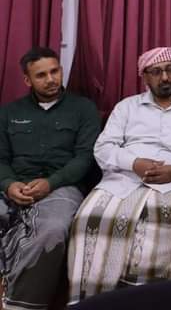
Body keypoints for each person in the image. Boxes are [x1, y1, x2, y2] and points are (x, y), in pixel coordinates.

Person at [68, 46, 171, 302]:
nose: (165, 77)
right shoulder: (127, 107)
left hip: (170, 184)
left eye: (170, 70)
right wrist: (134, 163)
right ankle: (93, 302)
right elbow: (103, 148)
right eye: (156, 72)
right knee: (88, 220)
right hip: (122, 181)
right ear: (145, 77)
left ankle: (156, 302)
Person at [0, 47, 100, 310]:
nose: (51, 79)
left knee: (53, 230)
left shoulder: (84, 109)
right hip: (14, 185)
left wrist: (50, 183)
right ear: (27, 80)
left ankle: (21, 305)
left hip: (62, 186)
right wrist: (9, 185)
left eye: (54, 71)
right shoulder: (8, 112)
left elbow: (84, 158)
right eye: (41, 75)